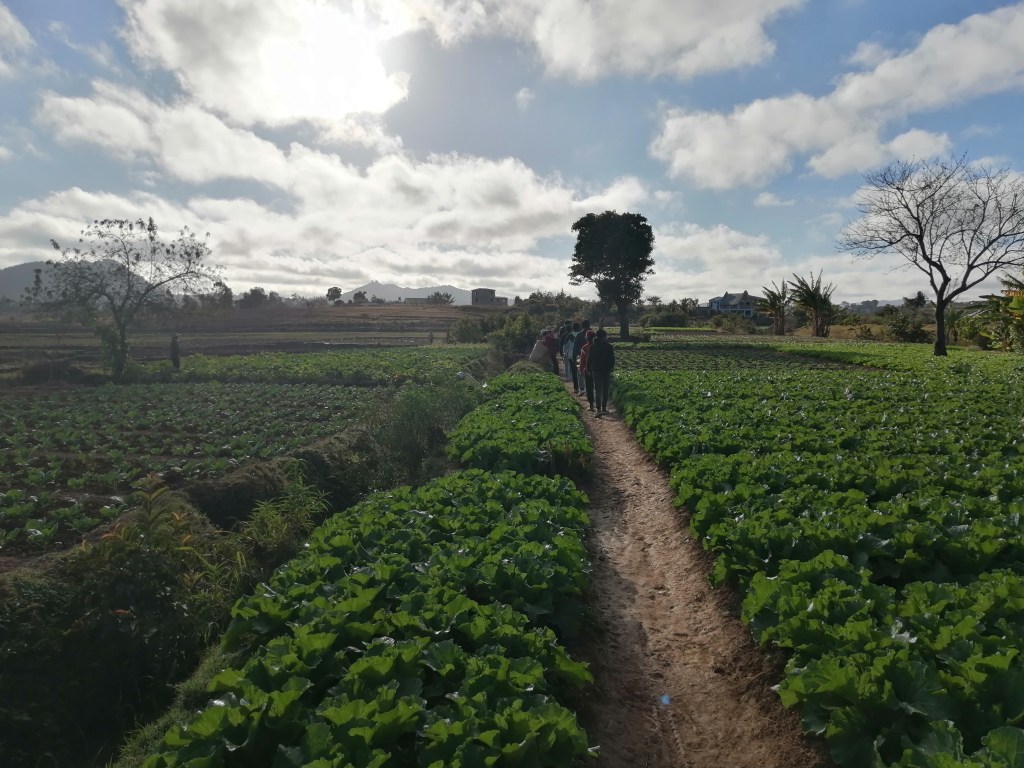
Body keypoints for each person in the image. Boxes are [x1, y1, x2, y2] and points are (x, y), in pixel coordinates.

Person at [588, 328, 615, 416]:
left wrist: (588, 369)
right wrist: (611, 368)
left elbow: (589, 359)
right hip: (606, 370)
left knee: (597, 389)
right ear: (603, 337)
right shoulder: (609, 347)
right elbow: (612, 359)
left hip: (595, 370)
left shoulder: (592, 346)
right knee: (605, 389)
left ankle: (598, 409)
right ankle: (604, 408)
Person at [577, 329, 596, 410]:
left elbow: (582, 361)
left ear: (586, 338)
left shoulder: (584, 348)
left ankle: (591, 406)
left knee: (589, 387)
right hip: (598, 370)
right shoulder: (598, 346)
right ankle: (600, 406)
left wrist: (581, 369)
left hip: (588, 370)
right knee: (598, 387)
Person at [571, 319, 591, 393]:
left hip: (581, 356)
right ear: (589, 325)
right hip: (592, 357)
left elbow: (575, 347)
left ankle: (582, 389)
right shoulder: (593, 334)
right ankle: (590, 389)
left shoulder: (579, 335)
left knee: (581, 372)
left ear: (582, 326)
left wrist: (574, 358)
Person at [564, 321, 581, 389]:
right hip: (580, 356)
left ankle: (576, 388)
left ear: (572, 328)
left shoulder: (569, 335)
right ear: (579, 328)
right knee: (580, 371)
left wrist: (565, 354)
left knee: (574, 372)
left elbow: (565, 346)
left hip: (571, 356)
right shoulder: (581, 335)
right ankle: (582, 387)